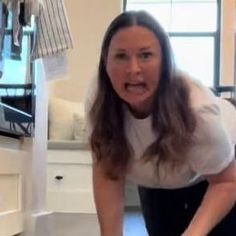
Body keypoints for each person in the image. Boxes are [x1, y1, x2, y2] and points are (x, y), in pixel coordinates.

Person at [85, 10, 236, 236]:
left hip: (221, 177)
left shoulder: (197, 110)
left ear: (165, 62)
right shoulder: (100, 99)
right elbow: (108, 172)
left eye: (145, 55)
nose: (133, 69)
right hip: (161, 178)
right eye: (121, 56)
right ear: (106, 63)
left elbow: (227, 182)